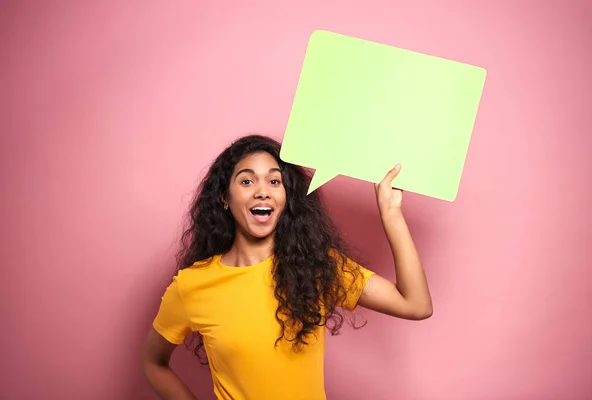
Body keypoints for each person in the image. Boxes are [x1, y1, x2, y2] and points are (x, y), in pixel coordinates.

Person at [140, 134, 433, 400]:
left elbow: (416, 305)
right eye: (246, 181)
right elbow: (153, 363)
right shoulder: (192, 285)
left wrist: (391, 213)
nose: (262, 191)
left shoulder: (316, 265)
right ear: (224, 199)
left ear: (285, 197)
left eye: (274, 181)